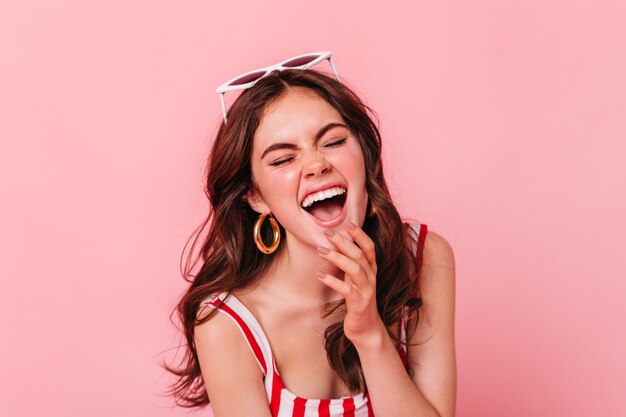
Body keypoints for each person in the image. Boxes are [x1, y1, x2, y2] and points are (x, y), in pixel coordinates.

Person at [165, 52, 456, 417]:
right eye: (283, 160)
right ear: (254, 196)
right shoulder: (227, 324)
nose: (316, 164)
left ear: (364, 158)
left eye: (333, 142)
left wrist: (370, 336)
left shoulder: (423, 259)